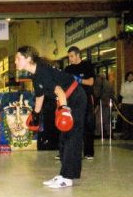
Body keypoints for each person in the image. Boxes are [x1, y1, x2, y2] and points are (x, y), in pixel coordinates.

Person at [15, 46, 86, 189]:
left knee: (71, 138)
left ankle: (67, 178)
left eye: (18, 58)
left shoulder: (42, 72)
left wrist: (64, 111)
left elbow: (59, 91)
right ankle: (64, 174)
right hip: (66, 99)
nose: (15, 61)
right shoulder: (35, 75)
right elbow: (40, 96)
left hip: (75, 98)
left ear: (28, 59)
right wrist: (35, 115)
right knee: (63, 138)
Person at [64, 46, 95, 160]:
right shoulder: (68, 69)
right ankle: (69, 151)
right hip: (72, 99)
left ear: (78, 55)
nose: (70, 59)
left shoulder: (87, 66)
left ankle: (88, 152)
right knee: (72, 125)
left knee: (88, 124)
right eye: (69, 57)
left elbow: (91, 82)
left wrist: (78, 80)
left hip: (86, 98)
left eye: (72, 56)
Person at [120, 71, 133, 139]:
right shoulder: (123, 84)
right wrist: (131, 93)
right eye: (129, 76)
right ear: (127, 77)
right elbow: (122, 93)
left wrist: (127, 93)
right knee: (125, 120)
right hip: (125, 103)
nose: (130, 77)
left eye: (131, 76)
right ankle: (125, 135)